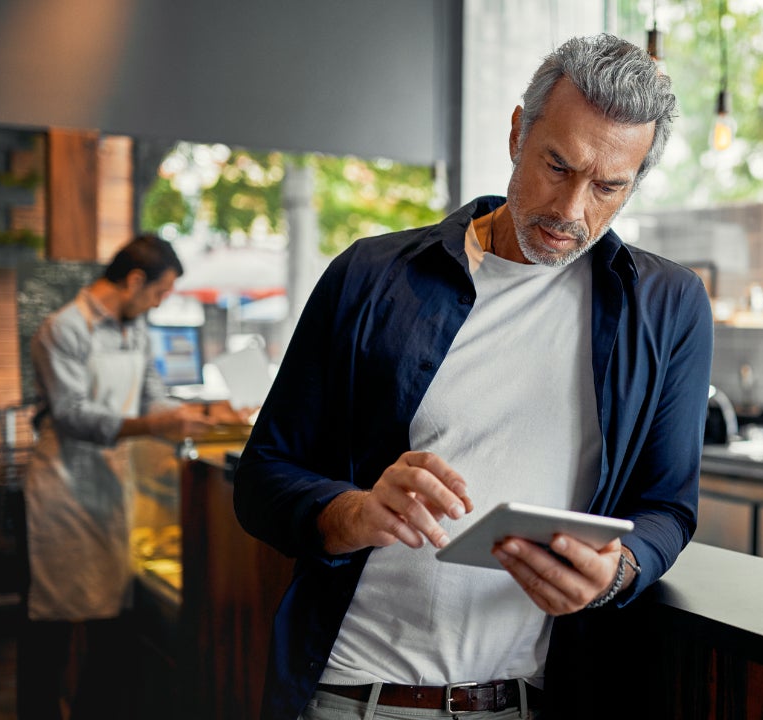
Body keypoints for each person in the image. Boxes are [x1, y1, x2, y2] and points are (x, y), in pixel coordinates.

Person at [233, 34, 713, 720]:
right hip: (356, 693)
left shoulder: (667, 307)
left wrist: (617, 572)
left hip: (527, 701)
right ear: (518, 132)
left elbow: (668, 507)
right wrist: (356, 512)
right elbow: (262, 478)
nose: (572, 210)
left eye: (609, 187)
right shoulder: (370, 277)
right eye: (557, 166)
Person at [18, 234, 236, 720]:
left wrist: (198, 412)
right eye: (160, 292)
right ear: (135, 281)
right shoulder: (63, 329)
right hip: (62, 488)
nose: (160, 303)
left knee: (111, 624)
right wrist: (154, 425)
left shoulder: (134, 329)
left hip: (112, 486)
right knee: (49, 624)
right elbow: (73, 415)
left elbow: (150, 395)